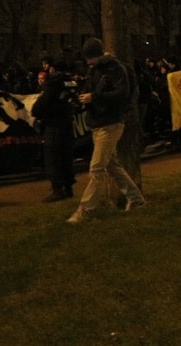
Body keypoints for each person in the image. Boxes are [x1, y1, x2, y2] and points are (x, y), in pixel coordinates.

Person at [66, 38, 146, 224]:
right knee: (112, 166)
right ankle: (136, 200)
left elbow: (121, 95)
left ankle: (85, 211)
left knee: (97, 168)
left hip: (110, 123)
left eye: (89, 58)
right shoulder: (95, 70)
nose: (88, 63)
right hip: (100, 123)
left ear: (97, 55)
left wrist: (94, 97)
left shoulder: (115, 69)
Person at [31, 61, 77, 203]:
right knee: (66, 157)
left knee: (53, 158)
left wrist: (39, 114)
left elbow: (39, 107)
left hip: (53, 125)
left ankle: (57, 190)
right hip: (67, 124)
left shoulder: (53, 85)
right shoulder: (71, 83)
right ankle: (68, 188)